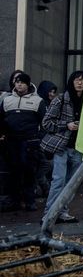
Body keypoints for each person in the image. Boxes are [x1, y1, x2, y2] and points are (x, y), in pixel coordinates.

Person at [40, 71, 83, 224]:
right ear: (71, 82)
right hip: (61, 147)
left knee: (72, 183)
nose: (80, 83)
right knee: (58, 180)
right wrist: (66, 125)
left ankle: (63, 212)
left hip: (79, 147)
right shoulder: (61, 99)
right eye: (77, 80)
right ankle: (49, 214)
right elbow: (46, 123)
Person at [0, 73, 45, 211]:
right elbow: (1, 119)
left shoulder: (38, 101)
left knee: (29, 171)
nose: (19, 85)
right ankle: (14, 201)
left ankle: (30, 200)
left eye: (22, 82)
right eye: (17, 82)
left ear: (28, 84)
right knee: (13, 171)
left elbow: (44, 122)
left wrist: (39, 138)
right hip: (11, 141)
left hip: (29, 141)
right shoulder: (7, 100)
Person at [34, 80, 58, 198]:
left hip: (48, 139)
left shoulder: (50, 103)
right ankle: (46, 188)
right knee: (46, 166)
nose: (52, 94)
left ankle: (45, 188)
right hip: (41, 139)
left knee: (48, 166)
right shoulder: (40, 103)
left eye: (53, 92)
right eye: (50, 92)